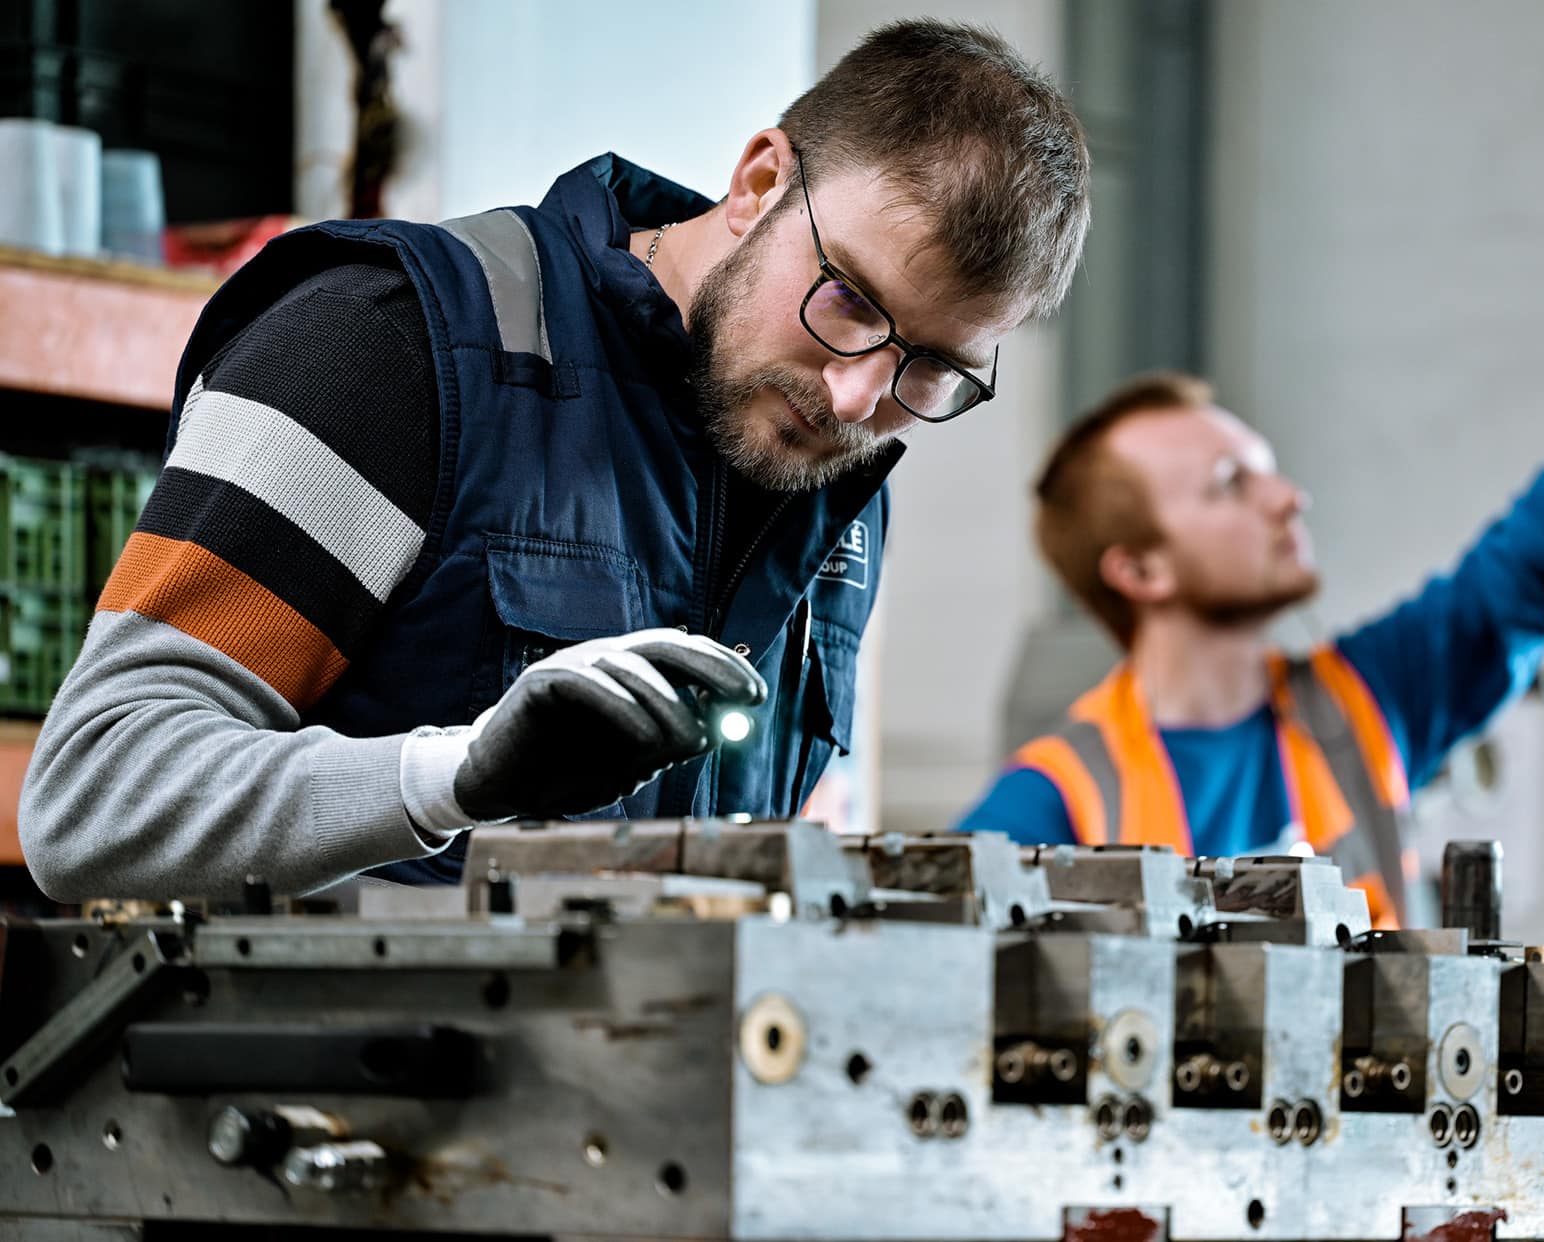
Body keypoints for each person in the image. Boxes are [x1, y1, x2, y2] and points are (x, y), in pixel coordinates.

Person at [22, 20, 1090, 901]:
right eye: (850, 299)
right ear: (759, 181)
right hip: (302, 1132)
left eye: (936, 367)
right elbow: (96, 797)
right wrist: (460, 774)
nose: (860, 396)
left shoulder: (832, 483)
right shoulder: (389, 346)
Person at [956, 129, 1544, 927]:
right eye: (1232, 485)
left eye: (1269, 469)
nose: (1288, 497)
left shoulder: (1372, 701)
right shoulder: (1055, 803)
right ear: (1140, 571)